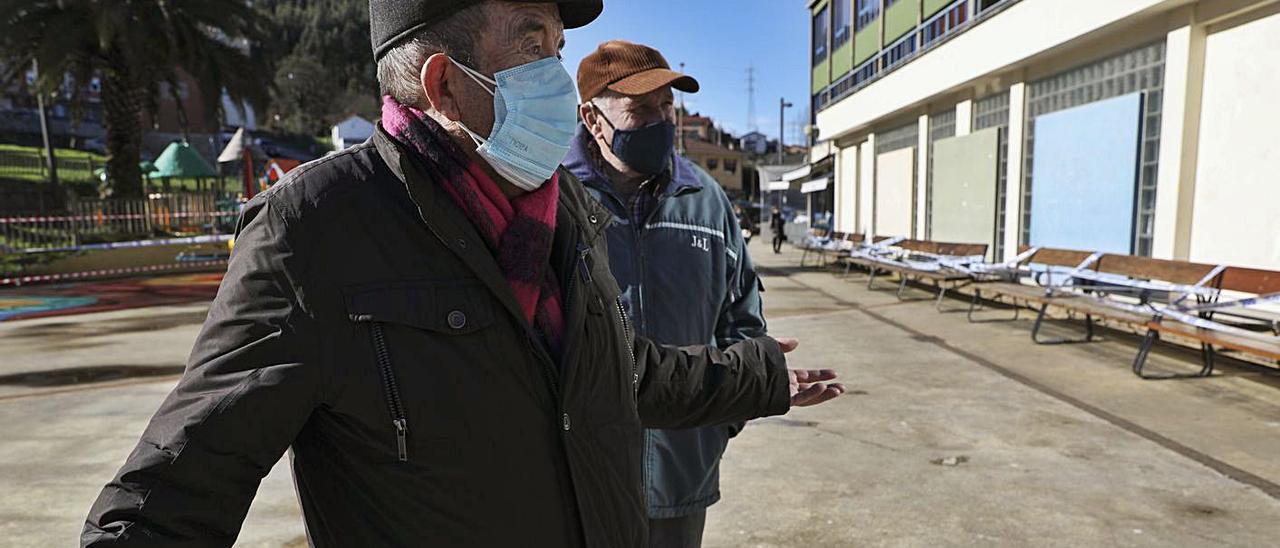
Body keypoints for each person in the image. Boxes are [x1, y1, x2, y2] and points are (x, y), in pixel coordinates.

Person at [80, 2, 844, 547]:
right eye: (533, 41)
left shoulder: (563, 209)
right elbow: (165, 502)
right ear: (445, 86)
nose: (557, 71)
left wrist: (756, 379)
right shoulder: (316, 229)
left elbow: (619, 373)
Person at [565, 40, 767, 548]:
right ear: (592, 118)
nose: (661, 121)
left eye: (666, 107)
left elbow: (742, 319)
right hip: (580, 480)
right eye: (640, 109)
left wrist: (721, 421)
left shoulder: (707, 201)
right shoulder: (553, 199)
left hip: (683, 473)